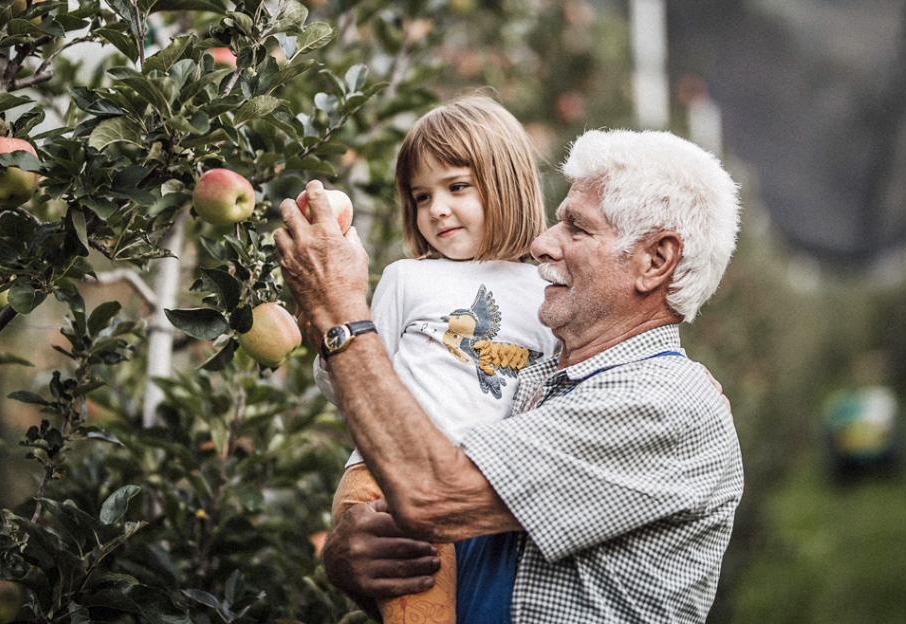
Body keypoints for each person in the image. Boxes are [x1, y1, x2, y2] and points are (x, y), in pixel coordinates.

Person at [274, 128, 744, 622]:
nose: (542, 243)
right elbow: (455, 567)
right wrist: (357, 563)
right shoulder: (531, 384)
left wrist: (340, 310)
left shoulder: (664, 405)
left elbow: (433, 494)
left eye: (576, 229)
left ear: (655, 260)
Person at [309, 96, 558, 624]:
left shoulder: (547, 292)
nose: (436, 209)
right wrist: (325, 326)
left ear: (507, 182)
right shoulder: (408, 277)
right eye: (421, 197)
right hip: (386, 482)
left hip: (474, 498)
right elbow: (354, 382)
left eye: (457, 187)